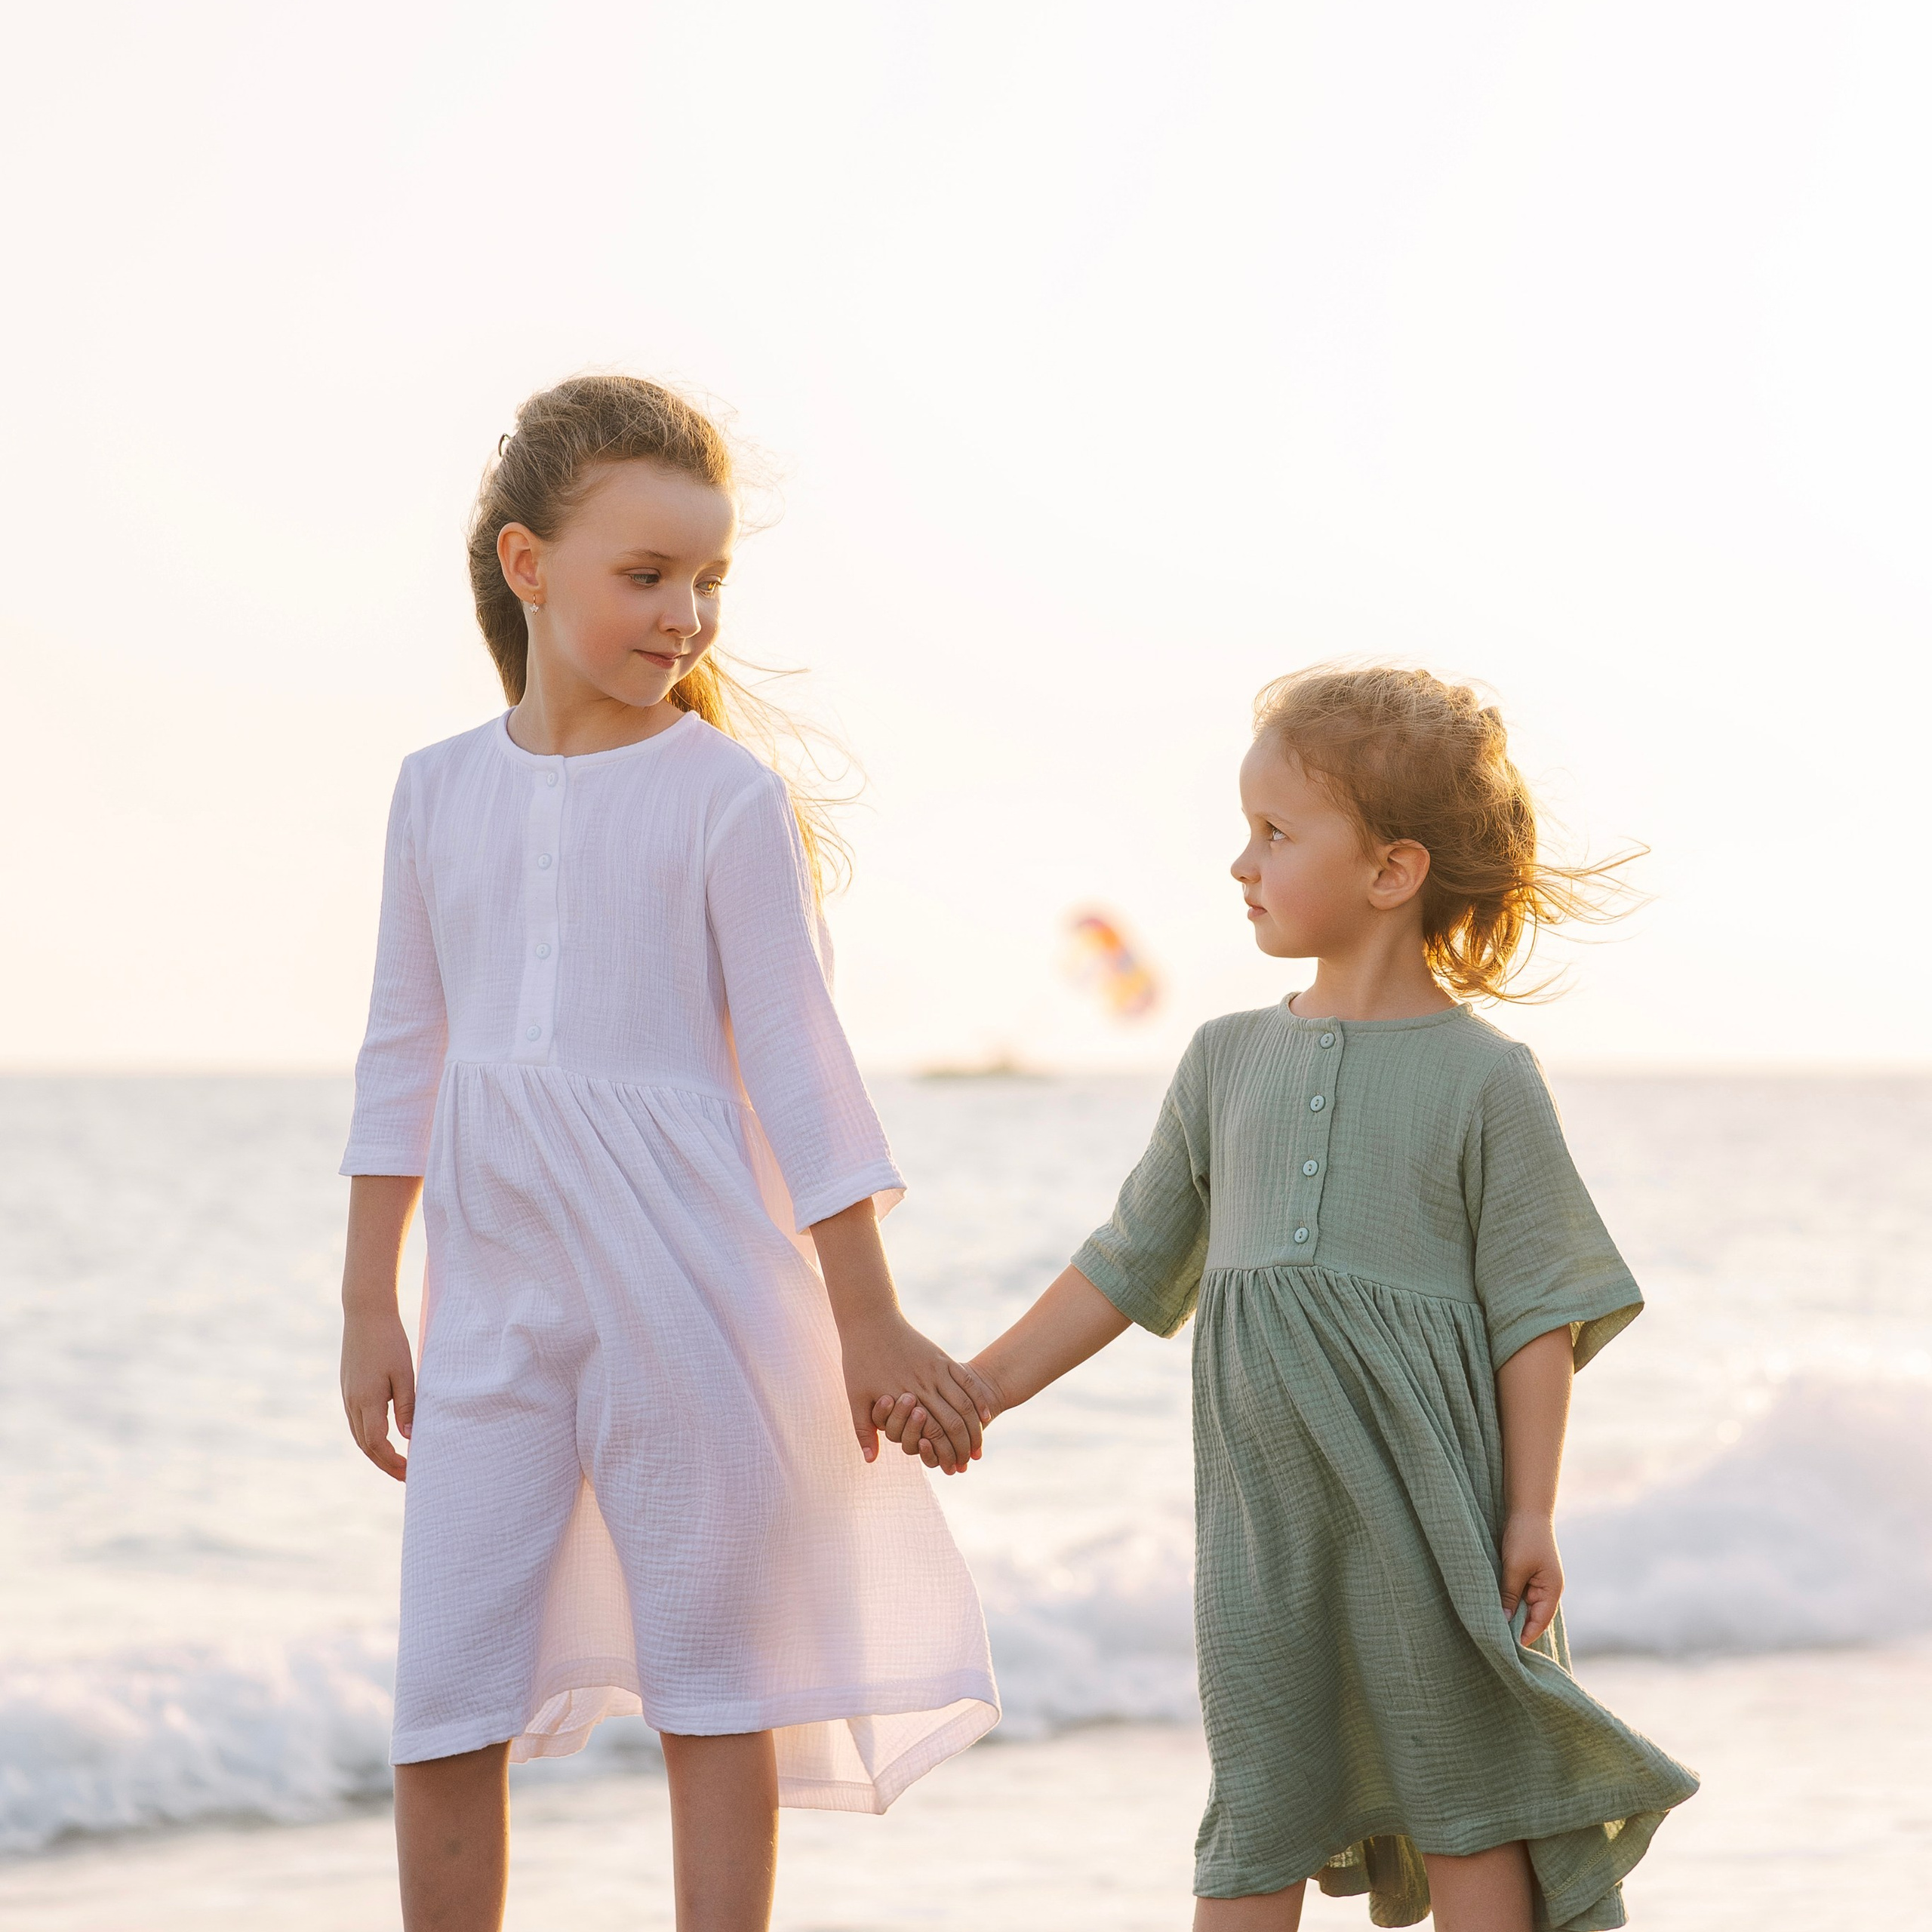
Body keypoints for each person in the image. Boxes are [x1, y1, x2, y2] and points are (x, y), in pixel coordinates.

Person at [878, 666, 1698, 1930]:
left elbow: (1539, 1312)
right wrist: (977, 1390)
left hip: (1432, 1521)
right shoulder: (1223, 1060)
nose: (1239, 862)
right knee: (1261, 1790)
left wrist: (1531, 1511)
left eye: (1274, 833)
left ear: (1392, 871)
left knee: (1466, 1789)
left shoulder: (1486, 1081)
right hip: (1262, 1536)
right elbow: (1124, 1262)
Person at [337, 374, 997, 1932]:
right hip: (491, 1302)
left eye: (706, 580)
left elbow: (799, 1070)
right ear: (527, 564)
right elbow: (397, 1053)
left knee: (714, 1684)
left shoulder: (722, 796)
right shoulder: (434, 792)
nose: (684, 613)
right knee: (444, 1690)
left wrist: (865, 1309)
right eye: (647, 575)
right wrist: (370, 1294)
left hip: (688, 1288)